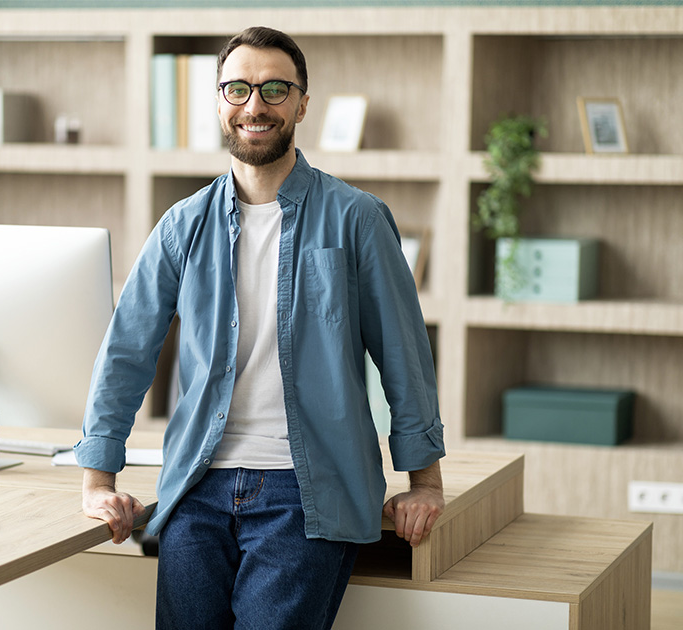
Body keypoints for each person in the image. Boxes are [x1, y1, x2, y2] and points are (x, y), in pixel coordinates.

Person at [74, 26, 446, 630]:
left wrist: (423, 481)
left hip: (306, 494)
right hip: (196, 489)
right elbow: (126, 351)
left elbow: (403, 355)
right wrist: (98, 479)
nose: (256, 105)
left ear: (302, 103)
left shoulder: (358, 218)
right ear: (220, 104)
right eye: (238, 89)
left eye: (275, 89)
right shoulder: (181, 225)